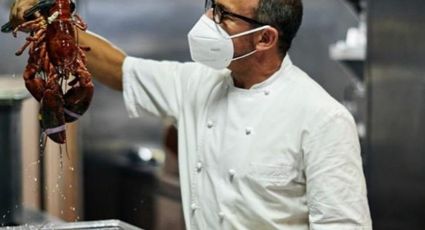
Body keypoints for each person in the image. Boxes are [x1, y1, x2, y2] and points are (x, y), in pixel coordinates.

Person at [9, 0, 372, 229]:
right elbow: (122, 70)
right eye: (210, 5)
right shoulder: (199, 83)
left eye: (222, 15)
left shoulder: (322, 118)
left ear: (265, 39)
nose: (207, 20)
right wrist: (55, 22)